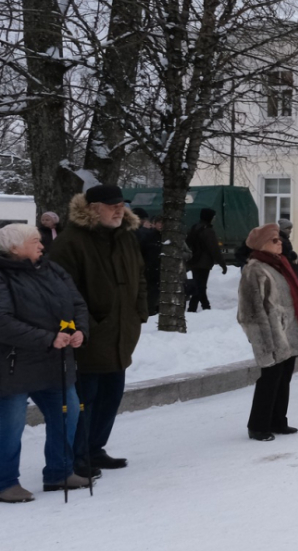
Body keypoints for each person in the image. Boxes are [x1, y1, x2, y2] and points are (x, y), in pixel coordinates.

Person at [50, 184, 145, 476]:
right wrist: (83, 325)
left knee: (111, 395)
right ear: (93, 208)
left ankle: (95, 448)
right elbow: (61, 291)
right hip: (88, 336)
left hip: (121, 333)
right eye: (111, 205)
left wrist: (138, 312)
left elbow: (140, 276)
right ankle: (79, 455)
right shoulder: (71, 241)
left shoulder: (126, 237)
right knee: (85, 399)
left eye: (121, 204)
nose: (119, 209)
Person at [0, 223, 90, 501]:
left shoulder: (52, 269)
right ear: (14, 248)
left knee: (68, 414)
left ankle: (59, 472)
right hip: (13, 366)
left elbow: (78, 304)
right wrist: (47, 338)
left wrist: (79, 330)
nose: (42, 245)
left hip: (56, 362)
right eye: (35, 241)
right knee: (10, 426)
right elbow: (2, 321)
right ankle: (5, 483)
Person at [237, 224, 298, 442]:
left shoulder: (280, 264)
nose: (280, 242)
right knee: (270, 378)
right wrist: (264, 340)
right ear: (262, 245)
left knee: (283, 377)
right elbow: (251, 310)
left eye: (279, 239)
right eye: (274, 240)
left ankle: (278, 420)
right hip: (270, 334)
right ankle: (258, 425)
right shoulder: (255, 269)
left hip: (287, 331)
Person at [185, 208, 222, 313]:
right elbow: (214, 249)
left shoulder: (194, 228)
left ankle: (200, 307)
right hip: (204, 263)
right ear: (209, 217)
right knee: (200, 286)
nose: (214, 219)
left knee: (198, 284)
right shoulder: (208, 231)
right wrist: (222, 264)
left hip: (194, 261)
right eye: (213, 217)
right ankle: (199, 308)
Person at [134, 211, 163, 316]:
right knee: (151, 298)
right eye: (159, 222)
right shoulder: (148, 237)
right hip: (150, 272)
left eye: (163, 223)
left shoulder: (170, 238)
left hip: (163, 273)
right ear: (154, 224)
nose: (161, 225)